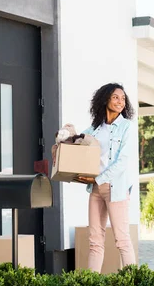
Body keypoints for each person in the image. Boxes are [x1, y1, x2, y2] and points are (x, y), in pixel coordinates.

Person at [55, 83, 136, 272]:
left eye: (123, 98)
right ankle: (92, 285)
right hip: (96, 189)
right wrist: (67, 134)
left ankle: (136, 284)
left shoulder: (126, 127)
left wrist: (97, 179)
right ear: (105, 98)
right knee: (95, 241)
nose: (120, 101)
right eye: (116, 97)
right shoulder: (95, 129)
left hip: (115, 188)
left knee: (122, 239)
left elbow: (122, 162)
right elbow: (78, 142)